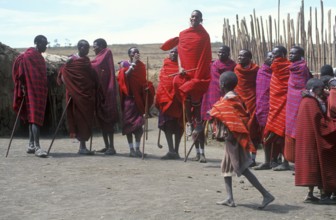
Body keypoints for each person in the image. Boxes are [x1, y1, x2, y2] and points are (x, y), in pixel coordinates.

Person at [210, 71, 274, 209]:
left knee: (242, 167)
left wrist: (213, 113)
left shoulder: (227, 101)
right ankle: (229, 198)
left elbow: (223, 114)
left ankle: (266, 194)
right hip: (234, 137)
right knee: (226, 166)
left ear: (221, 85)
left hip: (233, 138)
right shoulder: (236, 98)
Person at [295, 78, 336, 204]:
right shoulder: (311, 103)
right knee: (320, 164)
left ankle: (310, 194)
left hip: (307, 140)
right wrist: (333, 125)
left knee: (311, 166)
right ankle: (324, 196)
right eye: (320, 89)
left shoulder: (306, 100)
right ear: (315, 89)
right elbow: (320, 124)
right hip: (313, 140)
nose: (322, 91)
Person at [173, 10, 212, 138]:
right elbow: (179, 53)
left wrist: (200, 71)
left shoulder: (204, 36)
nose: (194, 18)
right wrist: (180, 67)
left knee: (195, 96)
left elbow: (206, 56)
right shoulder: (183, 34)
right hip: (185, 72)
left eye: (197, 17)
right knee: (184, 95)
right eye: (192, 16)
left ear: (201, 19)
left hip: (198, 71)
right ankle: (190, 122)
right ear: (190, 18)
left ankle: (199, 122)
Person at [57, 39, 99, 155]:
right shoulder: (71, 60)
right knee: (79, 119)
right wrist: (71, 88)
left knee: (86, 119)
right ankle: (82, 147)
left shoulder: (86, 61)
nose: (87, 50)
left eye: (88, 48)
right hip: (75, 95)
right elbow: (62, 74)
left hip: (86, 95)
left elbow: (89, 76)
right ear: (79, 47)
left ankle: (83, 147)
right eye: (85, 48)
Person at [196, 45, 236, 163]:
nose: (220, 54)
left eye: (223, 52)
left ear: (228, 53)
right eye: (218, 52)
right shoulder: (212, 65)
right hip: (210, 96)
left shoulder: (233, 66)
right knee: (201, 126)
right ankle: (201, 153)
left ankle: (231, 156)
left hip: (226, 98)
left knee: (229, 129)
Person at [12, 35, 49, 157]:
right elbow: (20, 73)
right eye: (44, 44)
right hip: (30, 91)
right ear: (37, 43)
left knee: (33, 119)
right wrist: (22, 87)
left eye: (46, 44)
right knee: (35, 119)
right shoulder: (27, 56)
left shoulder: (40, 58)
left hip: (39, 91)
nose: (45, 46)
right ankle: (37, 147)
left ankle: (31, 145)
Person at [117, 47, 155, 158]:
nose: (137, 54)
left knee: (139, 127)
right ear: (129, 55)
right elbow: (125, 77)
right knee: (129, 126)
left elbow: (143, 82)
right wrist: (132, 64)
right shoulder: (124, 65)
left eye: (138, 52)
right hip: (129, 100)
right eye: (134, 53)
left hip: (139, 100)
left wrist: (148, 88)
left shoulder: (142, 66)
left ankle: (138, 149)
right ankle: (131, 150)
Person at [264, 46, 291, 171]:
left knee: (285, 135)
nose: (275, 57)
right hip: (274, 106)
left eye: (278, 54)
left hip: (286, 105)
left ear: (284, 55)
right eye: (273, 54)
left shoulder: (290, 68)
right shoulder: (273, 69)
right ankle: (269, 161)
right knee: (268, 135)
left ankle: (285, 162)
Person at [91, 38, 119, 155]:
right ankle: (106, 145)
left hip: (107, 90)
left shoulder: (106, 52)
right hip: (100, 91)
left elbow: (96, 66)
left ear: (102, 46)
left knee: (108, 121)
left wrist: (84, 63)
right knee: (102, 121)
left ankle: (111, 147)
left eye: (95, 46)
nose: (93, 48)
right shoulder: (98, 56)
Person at [283, 46, 311, 163]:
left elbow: (305, 84)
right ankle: (292, 159)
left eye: (293, 54)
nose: (290, 55)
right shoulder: (291, 68)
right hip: (291, 102)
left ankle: (301, 161)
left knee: (299, 129)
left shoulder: (303, 67)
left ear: (300, 56)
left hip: (299, 101)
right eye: (290, 53)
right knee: (291, 127)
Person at [155, 47, 183, 159]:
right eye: (172, 52)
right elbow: (163, 83)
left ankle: (176, 151)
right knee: (167, 126)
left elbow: (184, 83)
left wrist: (183, 75)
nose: (174, 54)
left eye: (176, 52)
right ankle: (171, 150)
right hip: (166, 101)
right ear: (168, 54)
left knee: (179, 127)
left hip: (178, 102)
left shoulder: (182, 67)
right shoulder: (164, 67)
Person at [234, 49, 260, 167]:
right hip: (239, 103)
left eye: (243, 56)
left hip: (253, 102)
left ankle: (253, 158)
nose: (239, 58)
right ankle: (243, 158)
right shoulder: (236, 69)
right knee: (241, 130)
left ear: (249, 58)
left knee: (252, 130)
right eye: (239, 56)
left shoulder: (256, 70)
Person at [253, 52, 276, 170]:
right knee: (265, 136)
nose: (271, 58)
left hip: (276, 107)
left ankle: (277, 160)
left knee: (278, 137)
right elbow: (261, 92)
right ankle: (267, 161)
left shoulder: (279, 72)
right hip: (263, 107)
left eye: (274, 56)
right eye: (269, 56)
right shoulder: (261, 72)